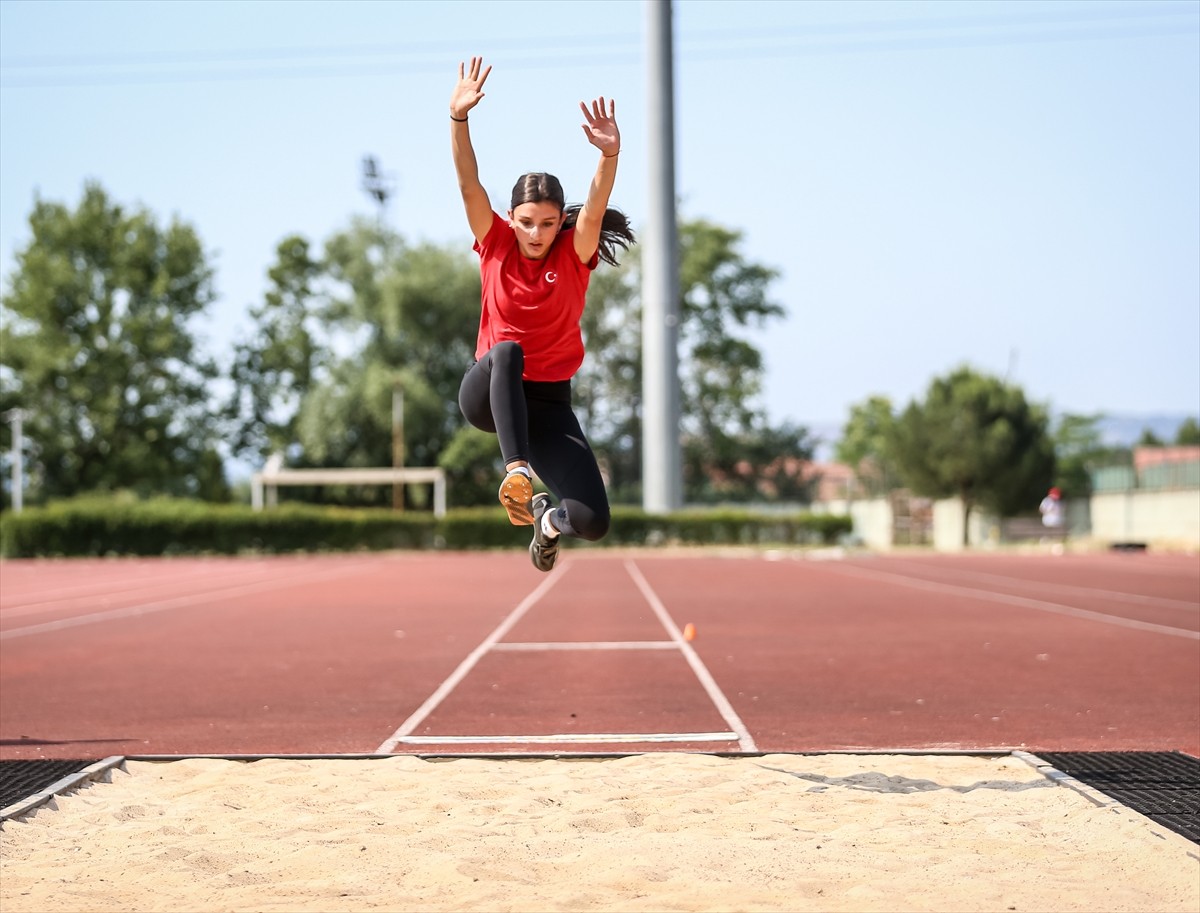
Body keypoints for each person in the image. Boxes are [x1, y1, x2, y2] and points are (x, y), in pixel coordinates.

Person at [449, 56, 635, 572]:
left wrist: (609, 155)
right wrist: (458, 120)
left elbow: (595, 207)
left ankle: (546, 524)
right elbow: (469, 186)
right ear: (512, 218)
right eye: (527, 222)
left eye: (547, 224)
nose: (535, 233)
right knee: (509, 349)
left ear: (559, 224)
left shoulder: (574, 254)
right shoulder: (495, 241)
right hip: (488, 391)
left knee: (594, 520)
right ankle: (516, 472)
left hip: (549, 404)